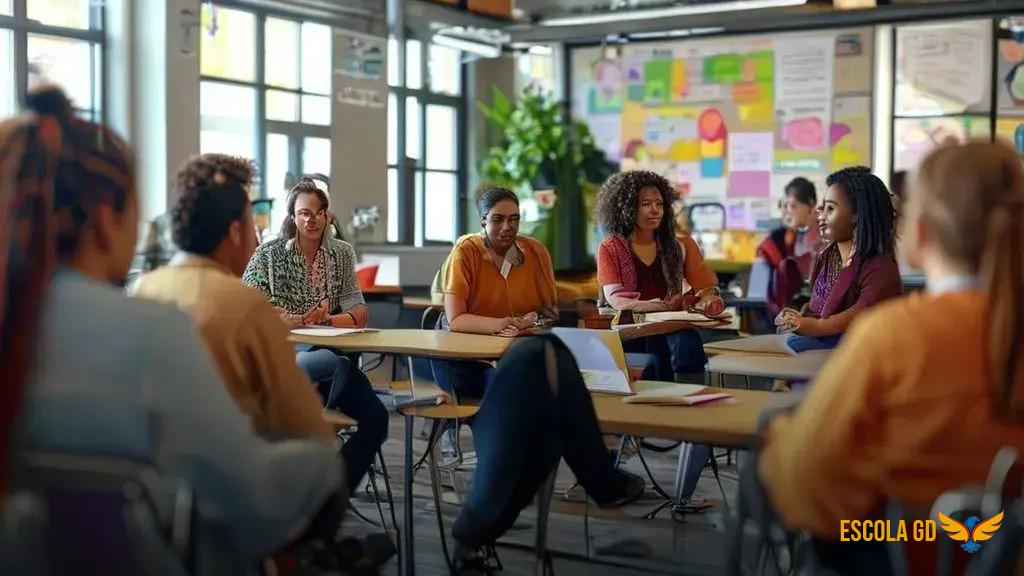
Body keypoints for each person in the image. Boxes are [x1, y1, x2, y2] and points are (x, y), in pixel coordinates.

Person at [4, 87, 349, 570]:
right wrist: (320, 467)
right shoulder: (149, 332)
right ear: (106, 223)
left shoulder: (133, 296)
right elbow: (254, 496)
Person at [753, 140, 1024, 570]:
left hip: (905, 554)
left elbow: (808, 486)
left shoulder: (893, 335)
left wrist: (780, 439)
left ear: (918, 236)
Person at [133, 155, 388, 496]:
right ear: (236, 231)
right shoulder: (246, 305)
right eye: (253, 222)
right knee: (335, 379)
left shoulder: (141, 293)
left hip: (157, 494)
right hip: (238, 501)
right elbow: (302, 425)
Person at [451, 334, 646, 573]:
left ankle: (602, 482)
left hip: (513, 366)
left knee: (544, 357)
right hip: (481, 372)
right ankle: (603, 482)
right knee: (546, 357)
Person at [242, 177, 388, 492]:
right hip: (288, 363)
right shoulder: (268, 255)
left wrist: (330, 321)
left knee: (377, 418)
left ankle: (334, 491)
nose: (312, 219)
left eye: (319, 212)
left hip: (334, 363)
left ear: (327, 215)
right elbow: (251, 312)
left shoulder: (341, 253)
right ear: (292, 217)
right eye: (304, 213)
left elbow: (359, 312)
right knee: (327, 361)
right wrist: (295, 320)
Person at [594, 170, 723, 513]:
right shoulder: (611, 246)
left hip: (673, 332)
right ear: (626, 208)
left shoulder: (680, 245)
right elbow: (617, 299)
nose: (655, 211)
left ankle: (690, 454)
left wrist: (709, 301)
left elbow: (705, 288)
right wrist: (652, 306)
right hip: (633, 337)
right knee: (614, 387)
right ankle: (605, 479)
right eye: (645, 204)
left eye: (659, 204)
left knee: (690, 350)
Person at [432, 186, 559, 399]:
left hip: (515, 353)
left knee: (557, 383)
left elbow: (550, 312)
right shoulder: (466, 251)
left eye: (514, 219)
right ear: (483, 220)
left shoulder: (536, 252)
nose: (507, 227)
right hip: (464, 359)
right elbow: (456, 320)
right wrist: (503, 323)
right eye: (498, 219)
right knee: (514, 387)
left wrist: (528, 321)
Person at [775, 166, 901, 352]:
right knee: (791, 342)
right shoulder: (828, 257)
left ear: (857, 216)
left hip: (860, 349)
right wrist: (798, 318)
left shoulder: (880, 268)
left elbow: (855, 318)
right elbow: (818, 309)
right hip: (828, 342)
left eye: (830, 209)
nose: (821, 217)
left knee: (794, 344)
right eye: (822, 208)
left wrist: (811, 326)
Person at [756, 177, 824, 316]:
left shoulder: (827, 238)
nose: (786, 212)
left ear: (811, 206)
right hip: (786, 316)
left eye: (793, 206)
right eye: (784, 206)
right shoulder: (781, 240)